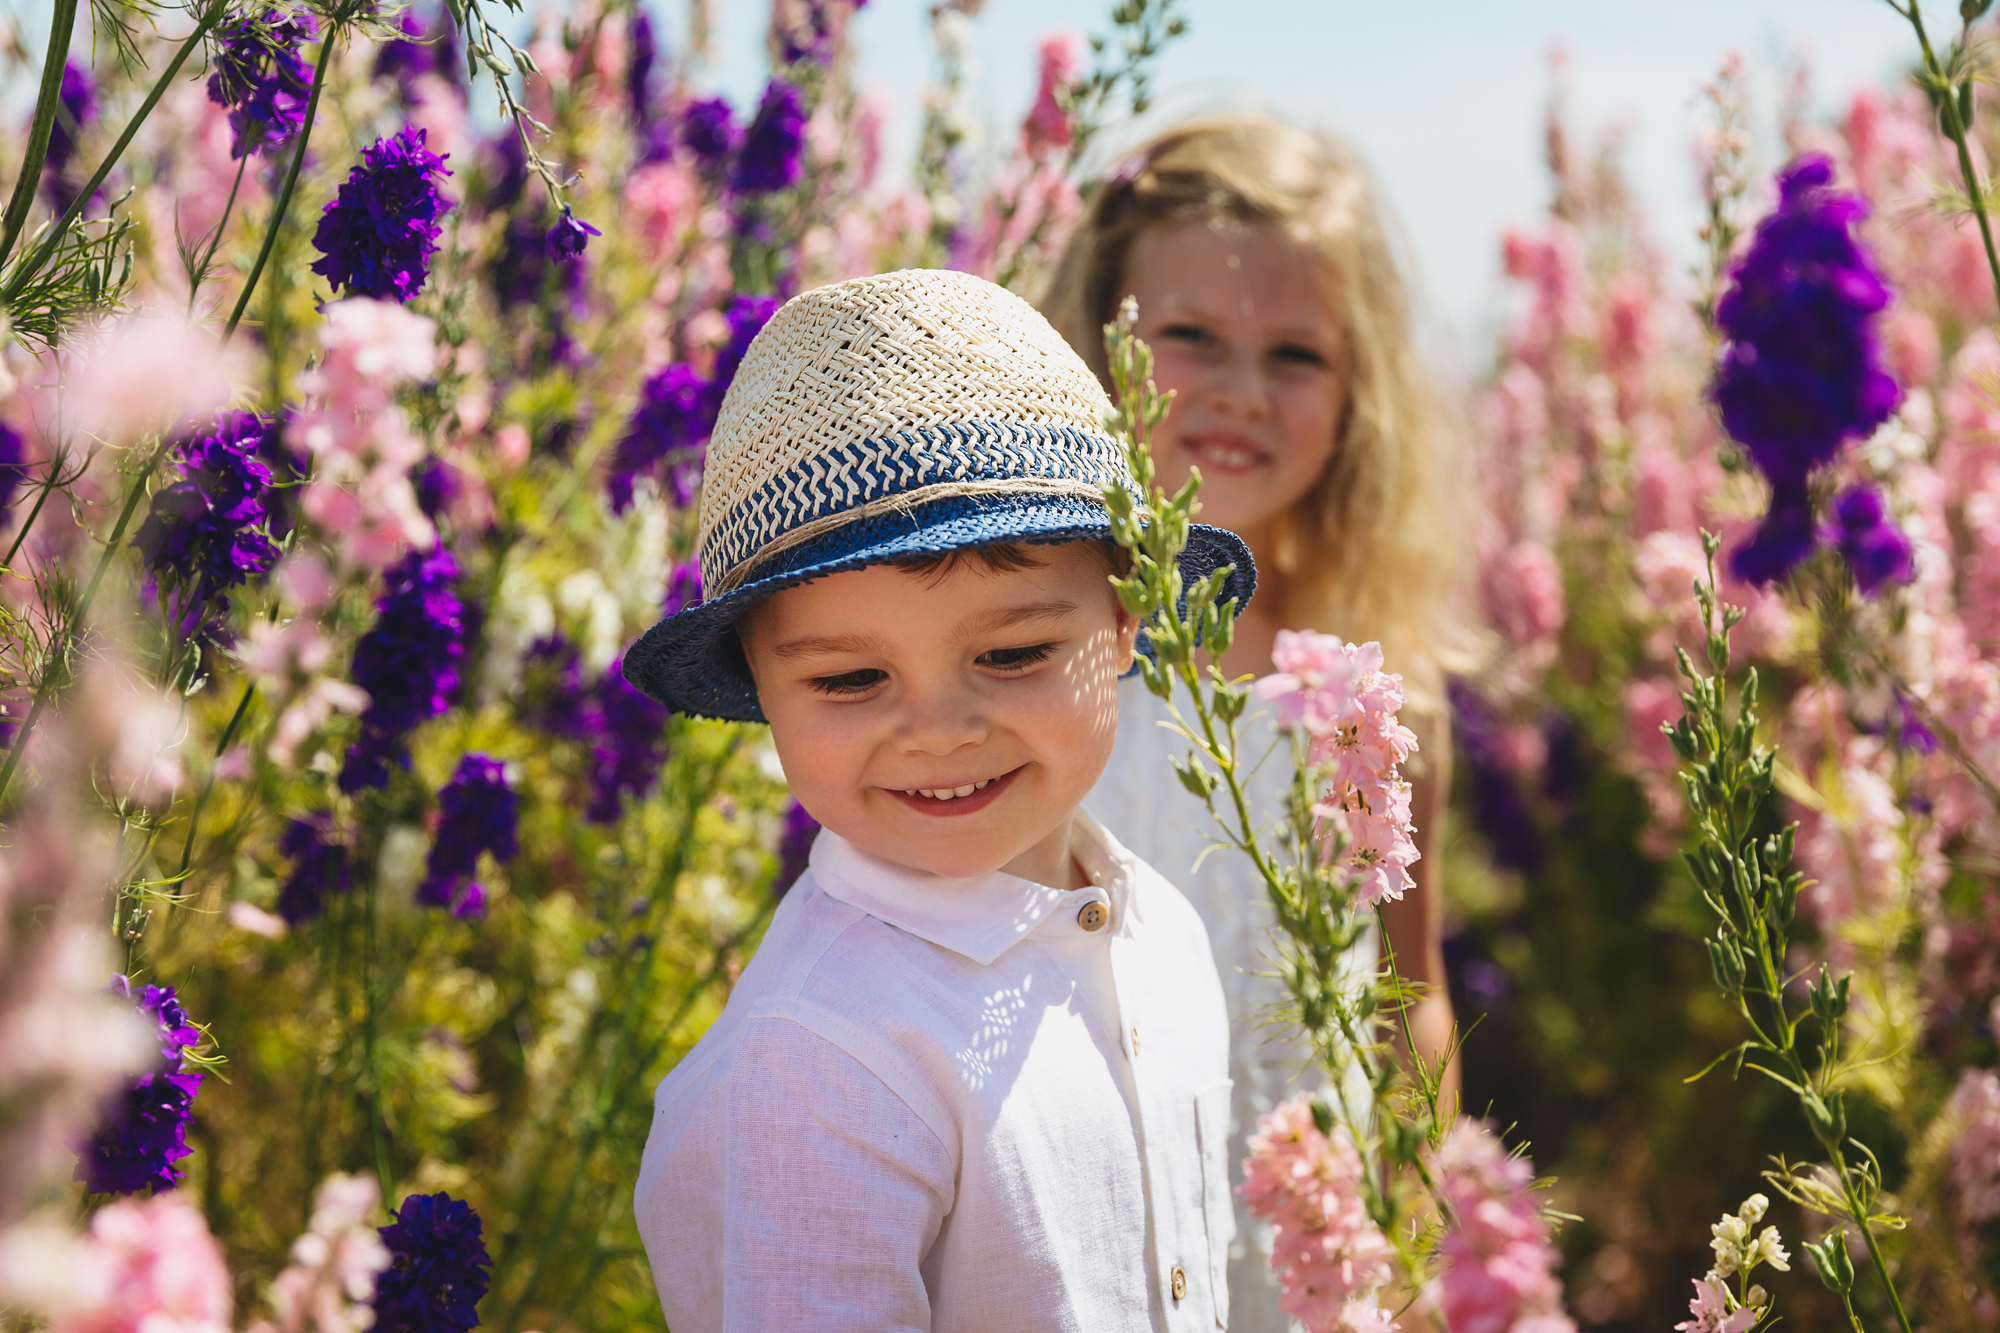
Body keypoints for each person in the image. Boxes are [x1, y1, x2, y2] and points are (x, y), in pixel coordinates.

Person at [627, 267, 1257, 1331]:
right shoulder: (812, 1065)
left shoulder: (1164, 930)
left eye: (1010, 652)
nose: (939, 730)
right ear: (761, 692)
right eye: (847, 678)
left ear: (1130, 614)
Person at [1043, 114, 1469, 1331]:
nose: (1238, 389)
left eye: (1295, 353)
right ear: (1097, 343)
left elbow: (1412, 983)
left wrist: (1417, 1224)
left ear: (1359, 390)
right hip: (1091, 1235)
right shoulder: (1035, 651)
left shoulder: (1375, 687)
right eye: (1188, 336)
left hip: (1308, 1254)